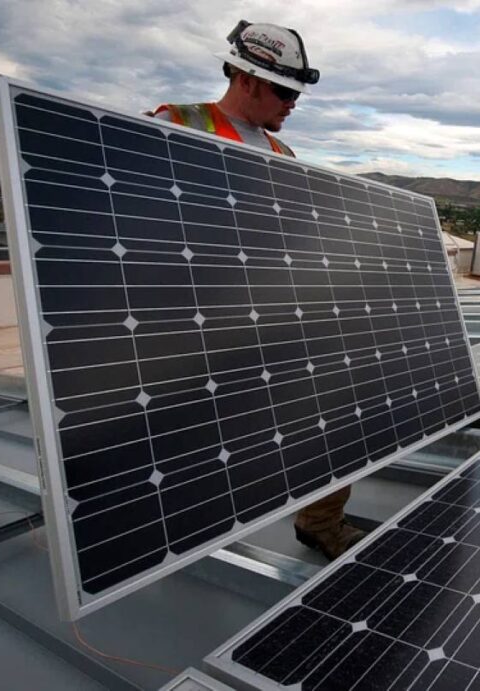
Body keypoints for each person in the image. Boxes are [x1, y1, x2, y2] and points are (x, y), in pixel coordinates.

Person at [151, 21, 365, 561]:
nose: (293, 103)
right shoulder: (173, 124)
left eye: (297, 93)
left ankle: (321, 520)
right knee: (197, 442)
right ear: (247, 79)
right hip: (193, 323)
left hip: (264, 316)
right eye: (285, 90)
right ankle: (171, 533)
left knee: (333, 407)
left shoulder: (282, 154)